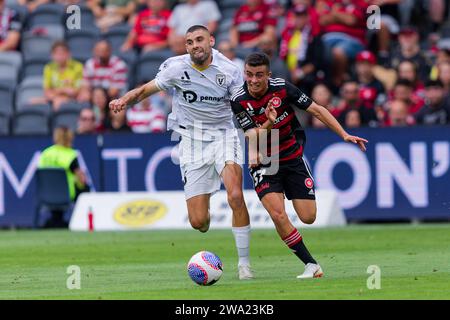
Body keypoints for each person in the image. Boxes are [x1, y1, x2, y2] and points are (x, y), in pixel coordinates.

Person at [109, 25, 254, 280]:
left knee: (235, 196)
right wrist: (124, 100)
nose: (195, 45)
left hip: (222, 136)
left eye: (199, 39)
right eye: (189, 42)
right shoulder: (175, 67)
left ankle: (244, 265)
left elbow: (244, 108)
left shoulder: (229, 70)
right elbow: (146, 90)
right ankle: (205, 208)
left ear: (211, 41)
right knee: (199, 223)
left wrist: (257, 138)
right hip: (191, 141)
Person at [230, 52, 368, 278]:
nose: (253, 80)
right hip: (265, 162)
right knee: (278, 214)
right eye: (249, 75)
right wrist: (269, 122)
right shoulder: (238, 99)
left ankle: (299, 179)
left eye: (259, 75)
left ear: (268, 75)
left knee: (308, 217)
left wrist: (343, 134)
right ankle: (311, 265)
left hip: (292, 155)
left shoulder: (283, 88)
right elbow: (252, 135)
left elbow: (317, 109)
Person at [38, 127, 89, 228]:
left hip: (47, 193)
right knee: (85, 189)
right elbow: (82, 179)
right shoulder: (70, 155)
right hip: (66, 194)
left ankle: (55, 220)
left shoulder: (46, 153)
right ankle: (84, 221)